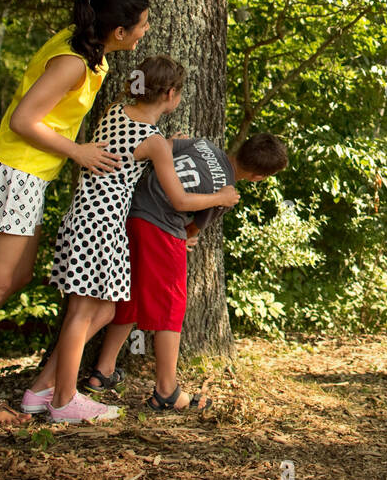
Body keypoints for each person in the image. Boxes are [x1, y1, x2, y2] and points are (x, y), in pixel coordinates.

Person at [0, 0, 150, 425]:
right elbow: (24, 119)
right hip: (13, 175)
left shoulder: (87, 49)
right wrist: (77, 151)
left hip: (30, 178)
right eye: (142, 25)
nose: (145, 31)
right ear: (119, 30)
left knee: (15, 277)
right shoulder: (72, 62)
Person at [20, 56, 240, 423]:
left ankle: (41, 388)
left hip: (84, 217)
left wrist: (168, 144)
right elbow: (181, 200)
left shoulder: (116, 111)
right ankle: (63, 400)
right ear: (170, 94)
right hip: (104, 224)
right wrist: (221, 198)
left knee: (103, 310)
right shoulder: (153, 142)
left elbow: (126, 151)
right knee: (82, 312)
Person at [84, 133, 288, 411]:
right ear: (257, 177)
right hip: (162, 229)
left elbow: (164, 148)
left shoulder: (202, 144)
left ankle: (103, 371)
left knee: (127, 293)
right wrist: (192, 230)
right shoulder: (225, 192)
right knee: (171, 306)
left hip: (131, 214)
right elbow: (194, 228)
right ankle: (166, 390)